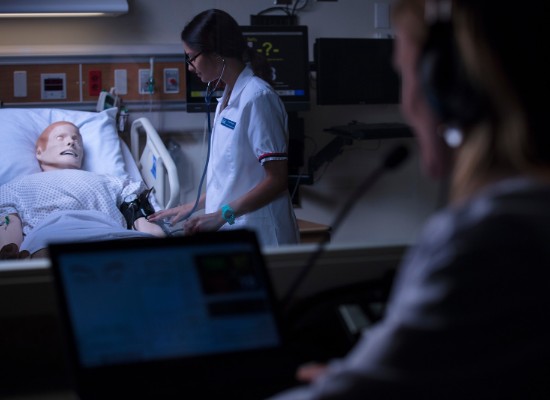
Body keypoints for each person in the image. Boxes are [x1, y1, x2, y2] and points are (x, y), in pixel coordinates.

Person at [268, 0, 550, 398]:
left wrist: (344, 381)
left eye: (404, 76)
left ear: (448, 90)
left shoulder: (491, 238)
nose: (406, 102)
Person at [147, 9, 300, 247]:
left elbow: (277, 180)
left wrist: (221, 215)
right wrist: (192, 206)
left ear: (216, 53)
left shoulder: (257, 98)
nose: (189, 67)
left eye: (192, 57)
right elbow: (234, 179)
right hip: (235, 230)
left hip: (263, 235)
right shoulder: (227, 99)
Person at [0, 121, 164, 259]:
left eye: (76, 139)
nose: (71, 142)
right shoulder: (18, 186)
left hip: (113, 235)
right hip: (51, 241)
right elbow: (9, 235)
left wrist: (161, 242)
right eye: (60, 138)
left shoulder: (111, 181)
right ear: (39, 152)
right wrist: (10, 257)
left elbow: (136, 211)